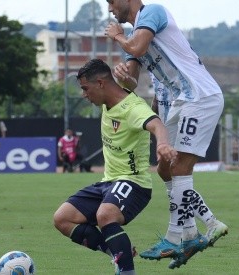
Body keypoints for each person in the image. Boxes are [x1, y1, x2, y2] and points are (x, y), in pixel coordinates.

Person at [104, 0, 228, 269]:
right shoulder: (137, 31)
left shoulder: (153, 13)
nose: (110, 8)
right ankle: (194, 232)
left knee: (180, 166)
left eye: (112, 1)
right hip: (180, 101)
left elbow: (135, 47)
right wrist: (123, 74)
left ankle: (179, 236)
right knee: (164, 167)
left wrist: (118, 37)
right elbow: (132, 81)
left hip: (199, 96)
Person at [53, 59, 177, 275]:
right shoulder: (107, 101)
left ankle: (126, 270)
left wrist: (163, 144)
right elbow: (123, 86)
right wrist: (128, 79)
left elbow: (156, 124)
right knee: (62, 219)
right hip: (108, 183)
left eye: (85, 88)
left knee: (105, 215)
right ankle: (117, 249)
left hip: (134, 182)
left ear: (100, 84)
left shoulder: (132, 108)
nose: (83, 94)